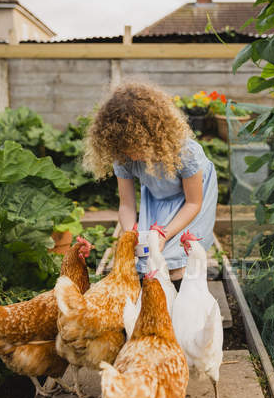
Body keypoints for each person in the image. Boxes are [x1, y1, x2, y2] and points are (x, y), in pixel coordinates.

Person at [83, 81, 217, 286]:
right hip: (158, 195)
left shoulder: (186, 152)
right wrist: (131, 234)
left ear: (153, 136)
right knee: (149, 256)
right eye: (125, 149)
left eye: (136, 147)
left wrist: (165, 234)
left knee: (176, 256)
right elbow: (126, 205)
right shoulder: (123, 157)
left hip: (193, 198)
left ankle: (184, 293)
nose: (131, 154)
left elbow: (193, 204)